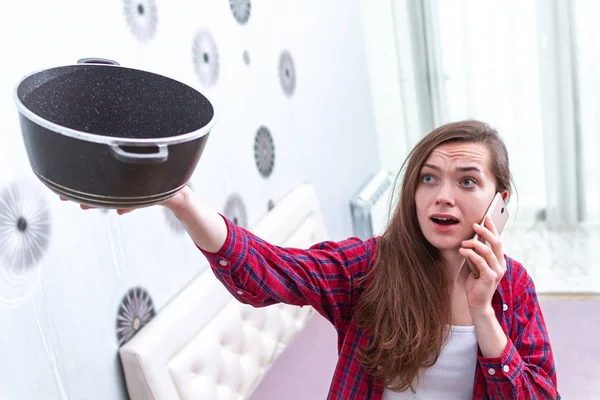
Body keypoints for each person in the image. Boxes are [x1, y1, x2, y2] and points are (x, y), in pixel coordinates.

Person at [68, 120, 559, 399]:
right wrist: (183, 202)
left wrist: (482, 315)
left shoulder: (512, 288)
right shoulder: (369, 267)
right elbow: (266, 271)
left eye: (467, 181)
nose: (442, 197)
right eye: (428, 178)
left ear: (501, 199)